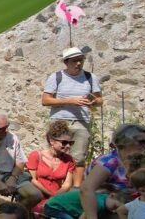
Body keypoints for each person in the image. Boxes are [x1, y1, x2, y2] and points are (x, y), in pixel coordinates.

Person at [42, 47, 103, 187]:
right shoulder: (56, 77)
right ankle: (54, 187)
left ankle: (76, 189)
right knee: (56, 154)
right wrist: (70, 101)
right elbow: (45, 100)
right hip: (60, 120)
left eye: (81, 60)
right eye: (75, 61)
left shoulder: (90, 77)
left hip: (82, 122)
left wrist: (94, 101)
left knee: (79, 157)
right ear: (66, 62)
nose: (79, 64)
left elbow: (100, 100)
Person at [80, 124, 145, 219]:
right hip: (104, 209)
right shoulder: (109, 162)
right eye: (142, 142)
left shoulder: (139, 161)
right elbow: (86, 189)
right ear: (125, 142)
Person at [26, 121, 77, 211]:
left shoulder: (69, 160)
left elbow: (67, 185)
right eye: (64, 143)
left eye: (71, 143)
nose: (68, 146)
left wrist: (54, 198)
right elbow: (32, 180)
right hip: (37, 197)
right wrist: (50, 195)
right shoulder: (36, 156)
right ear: (52, 141)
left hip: (57, 198)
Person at [44, 186, 130, 219]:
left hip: (64, 208)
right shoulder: (97, 203)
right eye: (115, 206)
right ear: (112, 195)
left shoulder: (104, 199)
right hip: (55, 207)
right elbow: (84, 216)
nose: (114, 211)